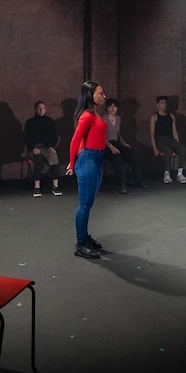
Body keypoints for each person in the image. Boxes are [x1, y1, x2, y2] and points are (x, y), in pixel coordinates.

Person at [66, 81, 107, 259]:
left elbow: (86, 138)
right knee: (84, 205)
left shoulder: (94, 114)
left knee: (88, 204)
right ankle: (81, 244)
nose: (103, 96)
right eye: (100, 93)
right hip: (88, 160)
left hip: (96, 159)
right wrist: (72, 163)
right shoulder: (87, 116)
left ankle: (84, 238)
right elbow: (75, 140)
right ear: (91, 95)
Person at [104, 97, 144, 193]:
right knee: (118, 157)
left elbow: (118, 134)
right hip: (106, 145)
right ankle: (122, 184)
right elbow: (101, 136)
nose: (113, 108)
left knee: (132, 154)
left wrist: (124, 143)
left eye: (115, 106)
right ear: (107, 108)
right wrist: (110, 146)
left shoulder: (118, 119)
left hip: (116, 143)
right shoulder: (103, 119)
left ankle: (138, 180)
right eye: (110, 106)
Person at [24, 100, 62, 197]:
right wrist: (32, 148)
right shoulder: (30, 122)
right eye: (39, 108)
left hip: (46, 147)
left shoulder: (49, 121)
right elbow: (26, 137)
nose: (41, 110)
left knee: (54, 156)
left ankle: (55, 186)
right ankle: (37, 187)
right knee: (38, 157)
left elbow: (55, 135)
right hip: (34, 148)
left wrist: (52, 146)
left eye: (43, 108)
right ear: (35, 110)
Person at [149, 96, 186, 184]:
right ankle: (166, 174)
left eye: (165, 103)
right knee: (168, 150)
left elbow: (174, 131)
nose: (164, 105)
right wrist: (155, 148)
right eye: (162, 103)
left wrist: (177, 142)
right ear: (158, 105)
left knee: (182, 149)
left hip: (170, 139)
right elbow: (152, 134)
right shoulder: (154, 117)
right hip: (160, 140)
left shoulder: (171, 116)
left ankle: (180, 174)